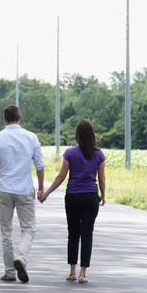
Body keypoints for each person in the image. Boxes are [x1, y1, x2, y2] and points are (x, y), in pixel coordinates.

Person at [39, 118, 106, 283]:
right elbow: (102, 178)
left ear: (77, 135)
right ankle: (83, 274)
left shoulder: (70, 153)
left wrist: (46, 193)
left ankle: (73, 272)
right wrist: (103, 195)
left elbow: (61, 176)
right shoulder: (99, 154)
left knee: (73, 233)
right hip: (91, 196)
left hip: (73, 197)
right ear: (92, 135)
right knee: (87, 234)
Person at [0, 105, 45, 283]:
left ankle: (10, 272)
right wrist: (41, 188)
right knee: (28, 228)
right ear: (20, 118)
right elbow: (40, 165)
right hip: (25, 190)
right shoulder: (31, 137)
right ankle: (21, 257)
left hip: (4, 189)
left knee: (6, 231)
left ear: (4, 119)